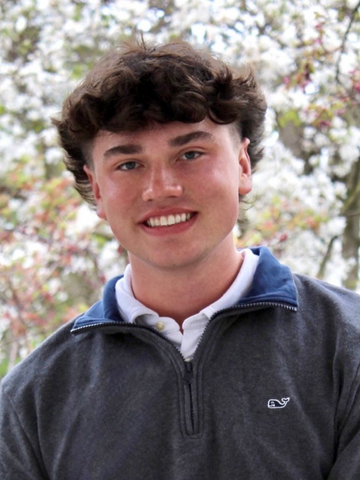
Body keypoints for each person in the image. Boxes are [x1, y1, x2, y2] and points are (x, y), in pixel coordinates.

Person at [1, 39, 360, 480]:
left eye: (190, 154)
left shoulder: (349, 345)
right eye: (129, 165)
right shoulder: (29, 402)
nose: (162, 188)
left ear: (243, 165)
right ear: (97, 190)